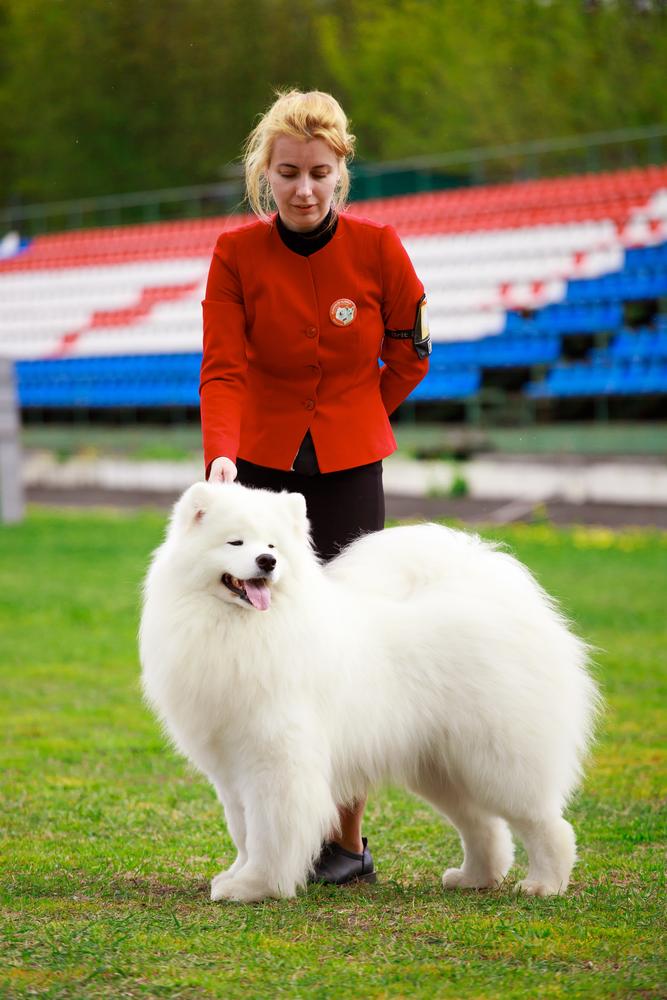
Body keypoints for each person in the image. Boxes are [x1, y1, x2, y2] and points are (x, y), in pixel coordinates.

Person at [199, 89, 430, 884]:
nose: (304, 189)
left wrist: (360, 416)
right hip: (257, 468)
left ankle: (345, 841)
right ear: (266, 174)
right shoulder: (234, 253)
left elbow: (410, 350)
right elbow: (224, 367)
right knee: (264, 653)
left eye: (319, 174)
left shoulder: (380, 248)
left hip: (348, 469)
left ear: (342, 175)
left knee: (348, 648)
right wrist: (222, 457)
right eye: (288, 173)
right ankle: (268, 837)